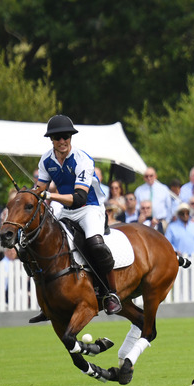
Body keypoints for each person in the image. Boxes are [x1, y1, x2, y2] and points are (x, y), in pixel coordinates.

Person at [34, 114, 121, 315]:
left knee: (95, 244)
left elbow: (80, 198)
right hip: (66, 211)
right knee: (46, 241)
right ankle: (48, 299)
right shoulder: (46, 160)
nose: (62, 141)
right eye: (57, 138)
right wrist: (31, 193)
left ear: (71, 138)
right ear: (51, 140)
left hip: (89, 208)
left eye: (66, 136)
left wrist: (49, 195)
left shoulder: (83, 160)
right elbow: (39, 188)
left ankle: (111, 293)